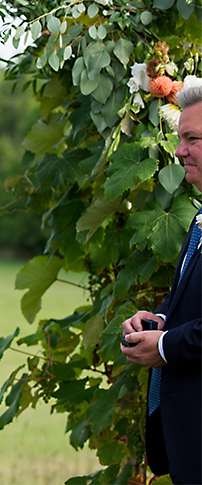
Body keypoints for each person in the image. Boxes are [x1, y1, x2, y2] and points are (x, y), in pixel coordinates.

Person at [121, 84, 202, 485]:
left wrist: (166, 347)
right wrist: (157, 319)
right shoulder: (199, 221)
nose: (180, 151)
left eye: (192, 139)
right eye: (179, 138)